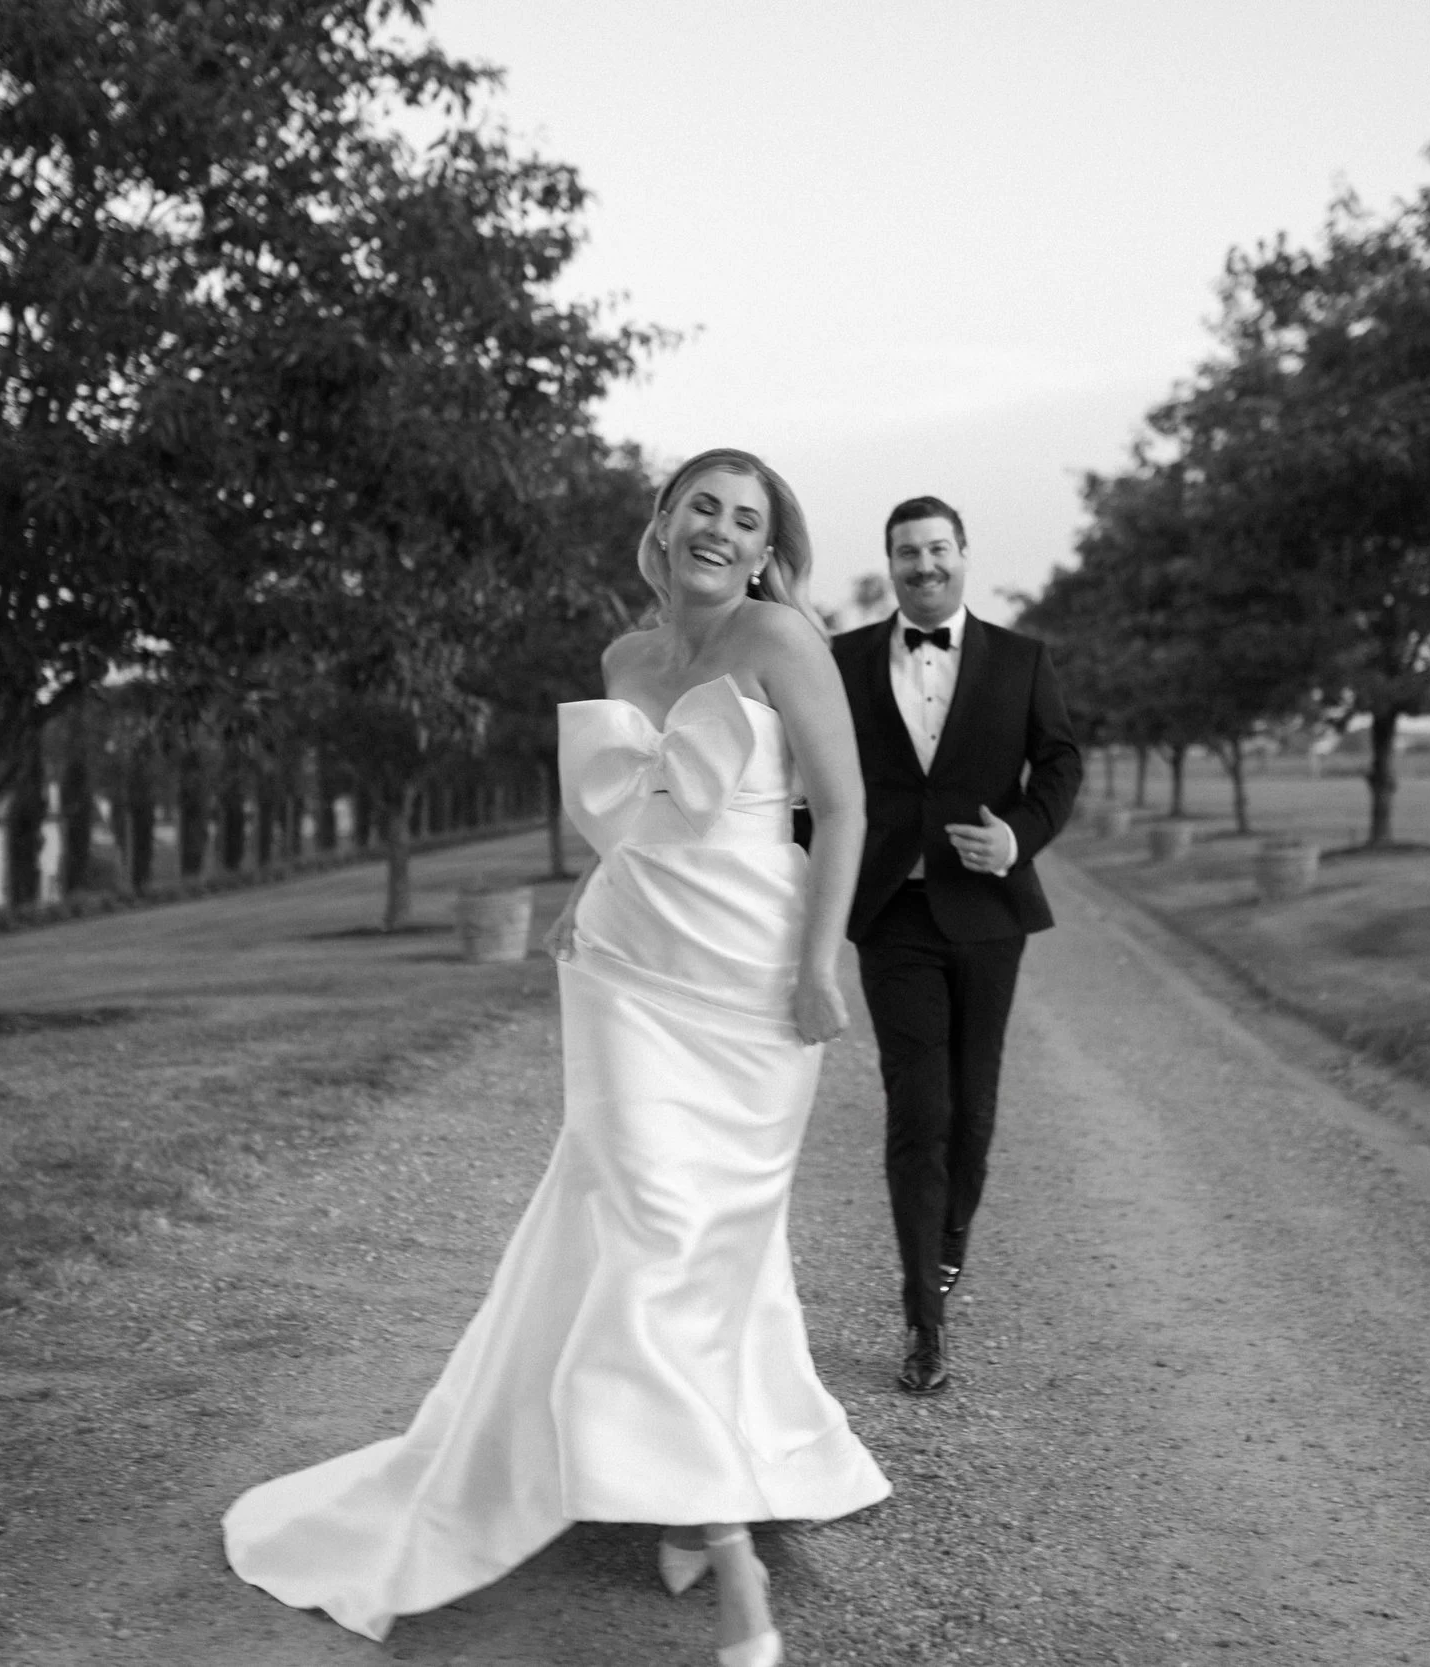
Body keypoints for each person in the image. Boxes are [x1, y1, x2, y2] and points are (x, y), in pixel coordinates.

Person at [224, 449, 888, 1667]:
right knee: (648, 1226)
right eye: (703, 504)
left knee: (712, 1243)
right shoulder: (625, 661)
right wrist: (589, 887)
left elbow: (841, 808)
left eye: (746, 519)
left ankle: (701, 1474)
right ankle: (727, 1553)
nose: (721, 530)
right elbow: (643, 809)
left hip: (748, 978)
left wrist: (819, 961)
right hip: (630, 976)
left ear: (764, 546)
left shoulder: (784, 644)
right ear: (664, 519)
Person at [830, 495, 1084, 1396]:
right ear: (891, 563)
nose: (923, 565)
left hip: (990, 916)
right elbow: (810, 777)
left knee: (973, 1112)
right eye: (907, 552)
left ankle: (947, 1250)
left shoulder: (1022, 660)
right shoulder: (843, 659)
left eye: (938, 549)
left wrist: (1018, 836)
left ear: (964, 555)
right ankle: (923, 1321)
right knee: (919, 1111)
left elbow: (1060, 764)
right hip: (892, 916)